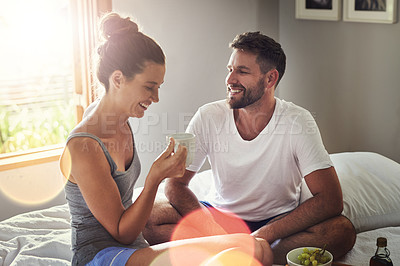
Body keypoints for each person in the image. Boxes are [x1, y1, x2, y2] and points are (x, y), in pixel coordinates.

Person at [59, 14, 273, 266]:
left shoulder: (116, 118)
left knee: (259, 247)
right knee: (251, 250)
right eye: (149, 87)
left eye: (159, 86)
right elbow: (121, 231)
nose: (156, 97)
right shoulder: (84, 146)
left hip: (132, 249)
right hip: (102, 256)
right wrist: (154, 179)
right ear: (117, 79)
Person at [143, 32, 357, 265]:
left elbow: (330, 199)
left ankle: (240, 251)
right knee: (150, 217)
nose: (230, 79)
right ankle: (242, 251)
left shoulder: (298, 121)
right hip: (218, 218)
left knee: (341, 231)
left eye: (242, 71)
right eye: (230, 69)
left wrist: (263, 235)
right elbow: (175, 184)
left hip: (277, 223)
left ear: (270, 79)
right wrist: (215, 232)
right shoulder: (209, 116)